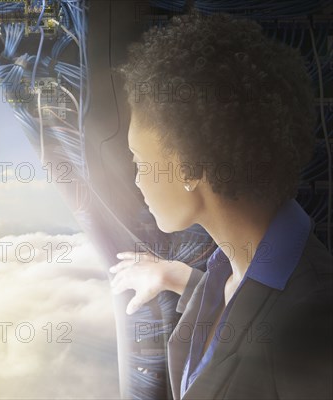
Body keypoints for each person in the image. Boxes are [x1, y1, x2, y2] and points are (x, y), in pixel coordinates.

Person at [109, 10, 333, 400]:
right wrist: (176, 276)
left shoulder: (312, 326)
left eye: (140, 161)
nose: (137, 179)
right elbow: (248, 305)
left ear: (188, 165)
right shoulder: (235, 268)